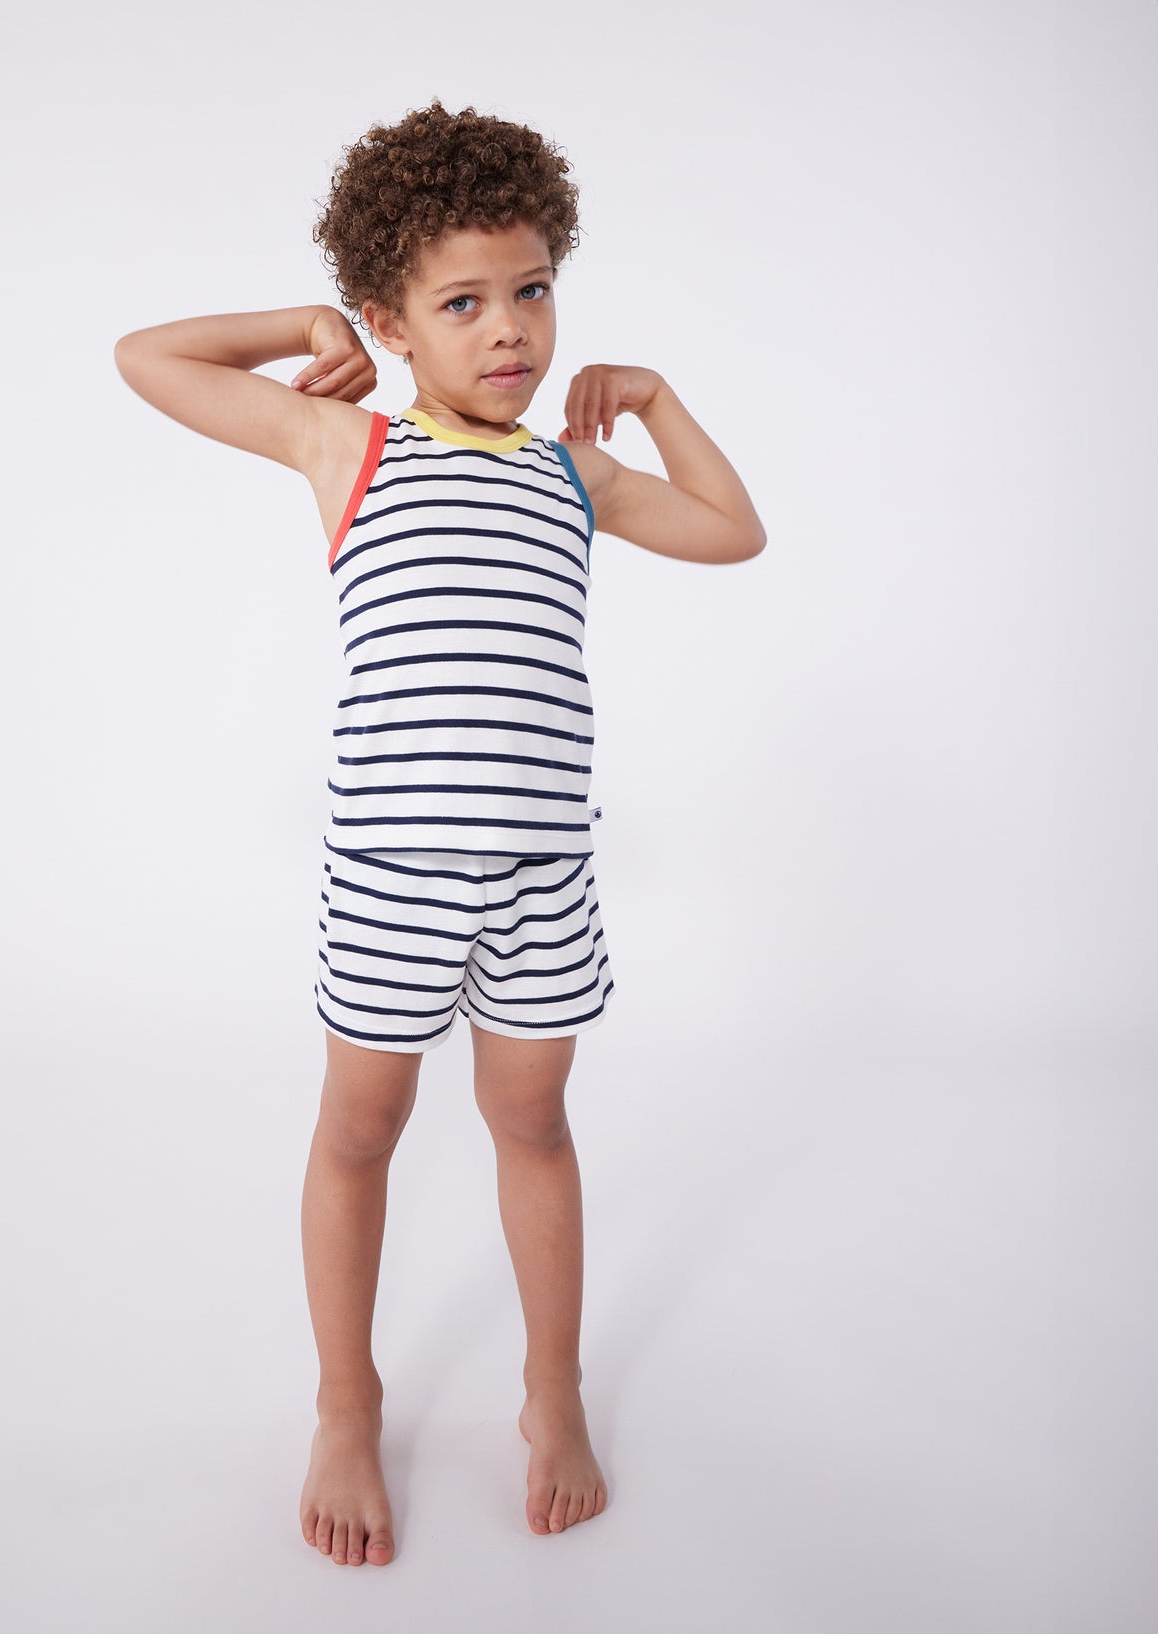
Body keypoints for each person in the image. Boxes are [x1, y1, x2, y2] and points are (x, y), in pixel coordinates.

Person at [114, 100, 767, 1569]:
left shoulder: (574, 475)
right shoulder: (345, 445)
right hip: (392, 882)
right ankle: (346, 1402)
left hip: (542, 880)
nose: (509, 327)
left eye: (531, 288)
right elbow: (144, 358)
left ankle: (552, 1389)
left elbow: (735, 531)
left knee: (533, 1124)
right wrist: (299, 327)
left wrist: (659, 399)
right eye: (461, 302)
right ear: (390, 323)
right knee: (361, 1132)